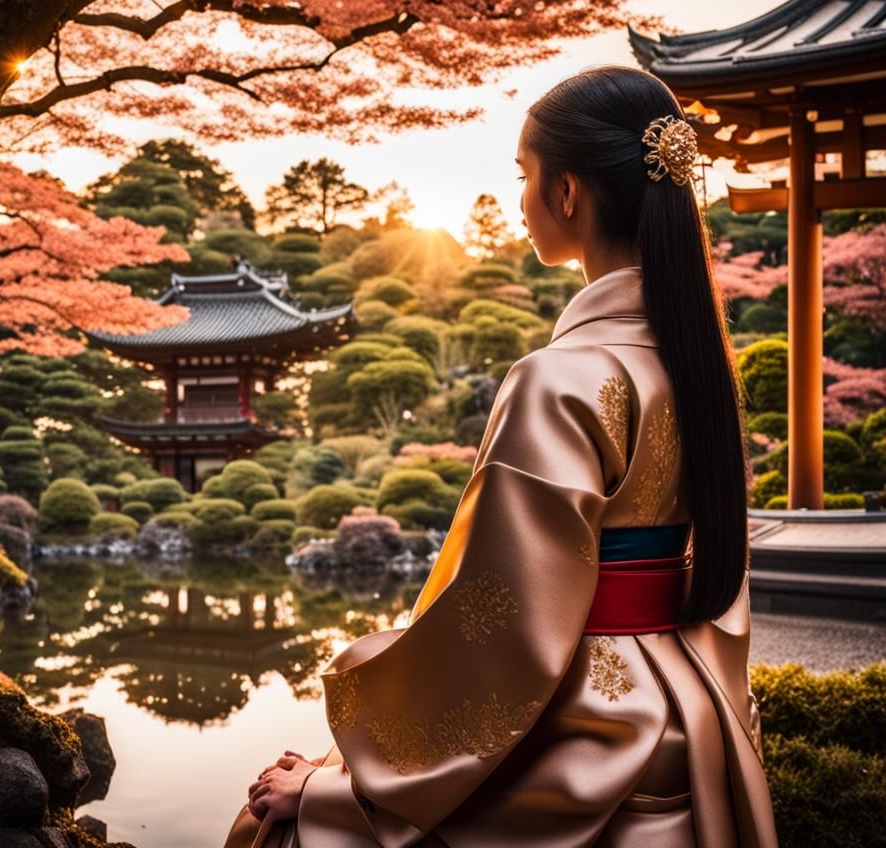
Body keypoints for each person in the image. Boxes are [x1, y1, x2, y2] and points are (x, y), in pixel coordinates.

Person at [222, 65, 778, 848]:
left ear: (567, 193)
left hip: (587, 731)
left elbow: (499, 620)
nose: (520, 201)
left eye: (524, 175)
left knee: (271, 827)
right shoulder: (699, 367)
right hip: (692, 710)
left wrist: (341, 786)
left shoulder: (561, 378)